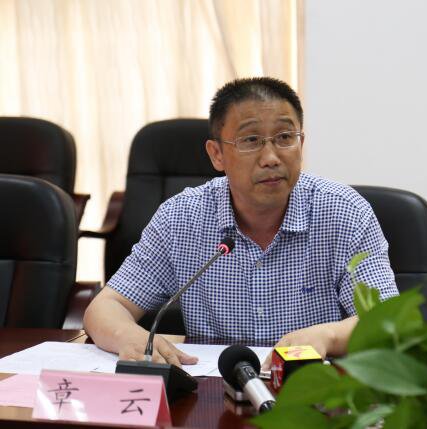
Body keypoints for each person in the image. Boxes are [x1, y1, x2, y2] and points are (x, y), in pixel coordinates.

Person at [83, 77, 399, 369]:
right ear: (217, 154)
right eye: (251, 140)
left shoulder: (344, 214)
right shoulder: (180, 219)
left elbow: (386, 321)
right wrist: (129, 336)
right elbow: (105, 307)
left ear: (301, 144)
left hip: (313, 391)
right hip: (212, 393)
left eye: (285, 137)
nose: (271, 157)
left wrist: (328, 336)